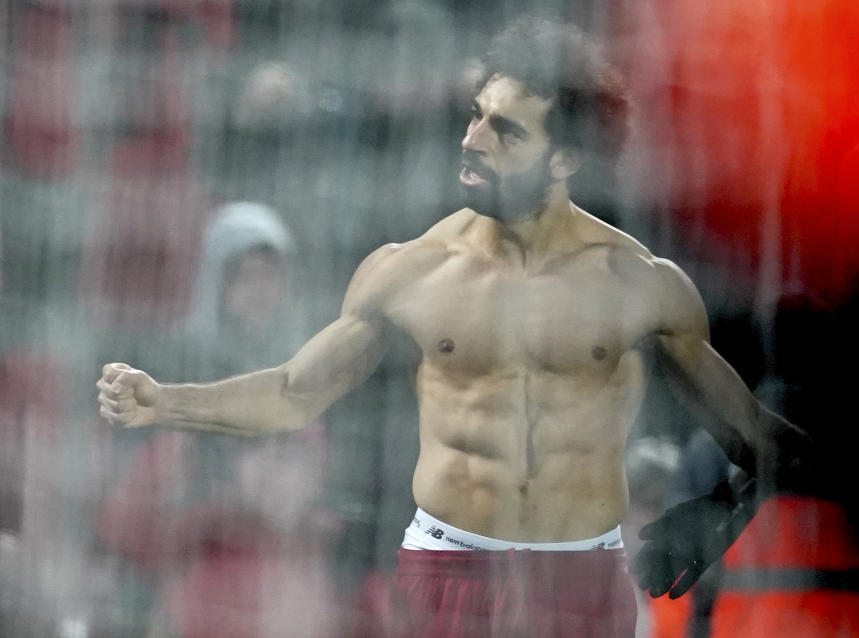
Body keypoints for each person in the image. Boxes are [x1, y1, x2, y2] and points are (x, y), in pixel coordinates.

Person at [97, 17, 807, 638]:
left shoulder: (641, 285)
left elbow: (763, 444)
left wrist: (717, 510)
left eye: (504, 129)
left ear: (564, 159)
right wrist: (166, 401)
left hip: (580, 584)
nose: (472, 139)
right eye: (475, 115)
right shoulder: (410, 271)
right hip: (447, 571)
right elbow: (292, 393)